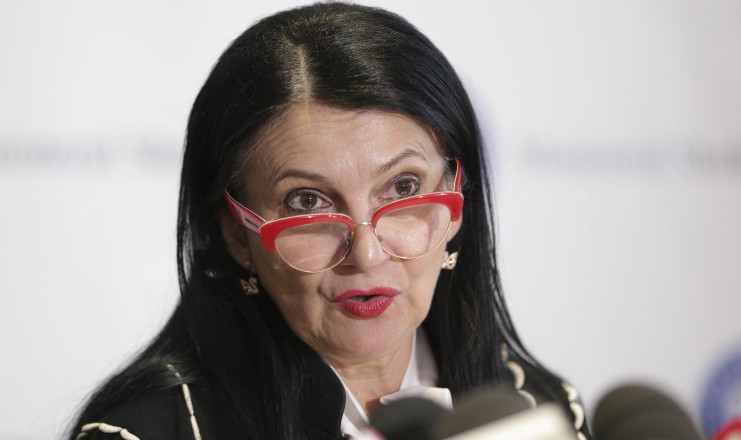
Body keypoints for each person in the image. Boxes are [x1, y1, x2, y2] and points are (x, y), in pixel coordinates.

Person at [68, 3, 591, 439]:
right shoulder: (147, 432)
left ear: (457, 200)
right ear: (236, 235)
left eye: (403, 187)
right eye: (307, 202)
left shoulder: (540, 412)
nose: (366, 253)